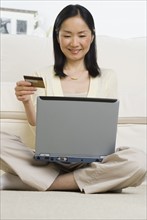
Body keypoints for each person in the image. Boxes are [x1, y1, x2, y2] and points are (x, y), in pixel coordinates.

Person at [0, 4, 146, 193]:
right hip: (48, 161)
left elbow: (105, 129)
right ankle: (78, 182)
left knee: (139, 161)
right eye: (67, 35)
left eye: (82, 35)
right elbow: (38, 129)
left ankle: (37, 182)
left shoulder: (108, 77)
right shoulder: (42, 75)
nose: (74, 43)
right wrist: (27, 102)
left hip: (91, 162)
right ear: (57, 36)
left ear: (92, 37)